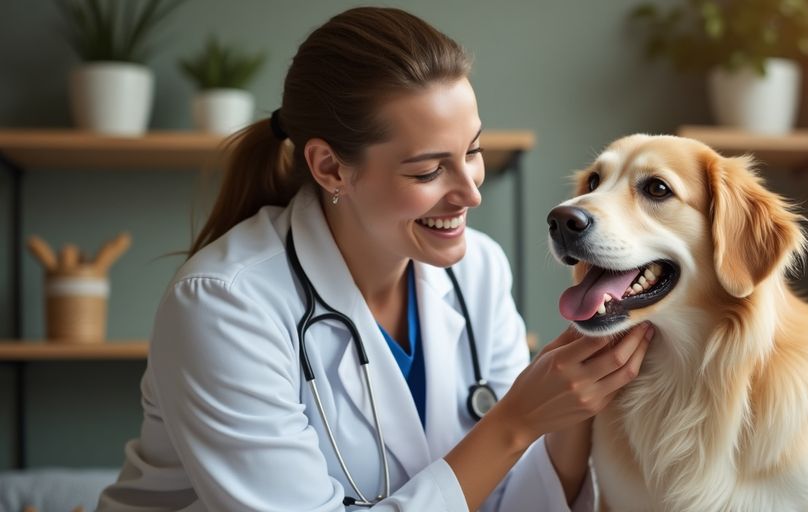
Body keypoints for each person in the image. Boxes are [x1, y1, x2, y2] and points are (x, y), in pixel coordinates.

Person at [97, 7, 652, 511]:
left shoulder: (478, 270)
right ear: (331, 168)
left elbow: (510, 499)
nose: (470, 192)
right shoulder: (223, 305)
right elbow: (497, 447)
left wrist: (571, 412)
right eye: (428, 171)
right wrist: (516, 422)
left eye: (473, 152)